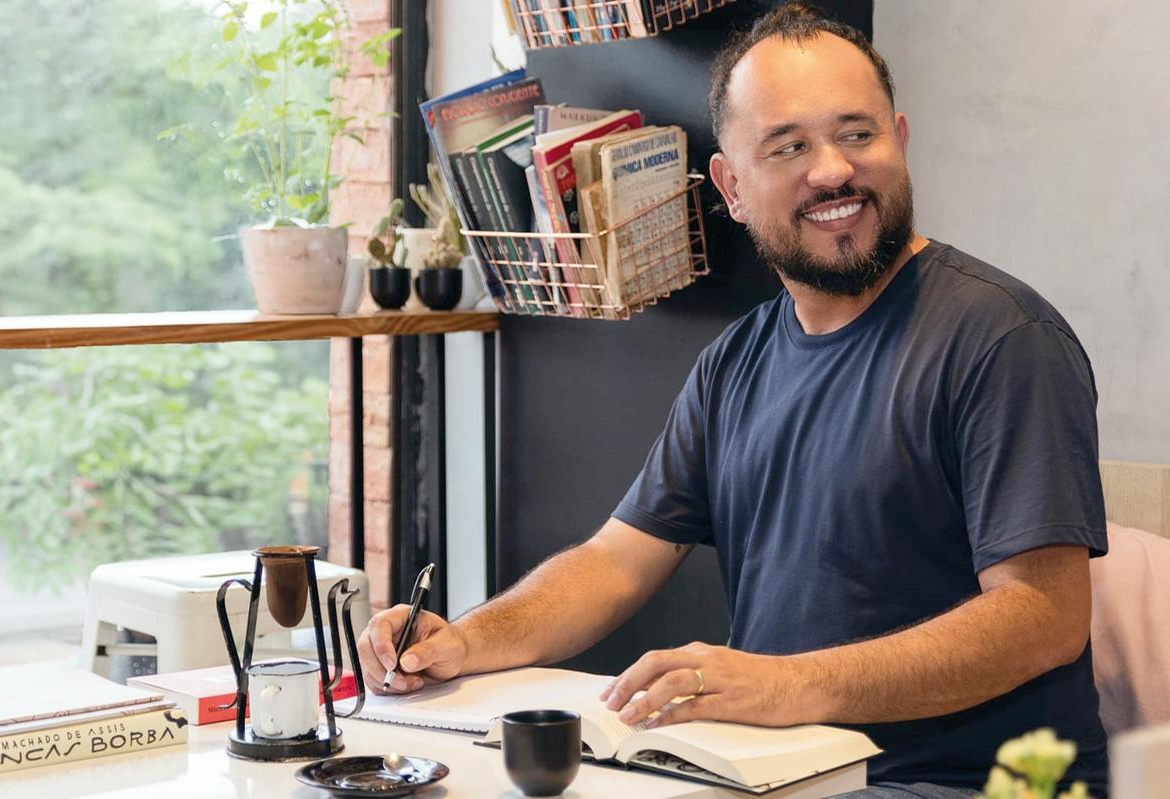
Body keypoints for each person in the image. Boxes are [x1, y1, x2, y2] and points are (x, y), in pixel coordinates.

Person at [357, 4, 1109, 796]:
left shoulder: (1001, 337)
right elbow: (613, 564)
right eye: (788, 146)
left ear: (901, 141)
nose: (831, 171)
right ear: (732, 186)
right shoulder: (736, 360)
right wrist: (466, 641)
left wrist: (783, 685)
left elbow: (1044, 614)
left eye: (858, 134)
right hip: (772, 775)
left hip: (963, 783)